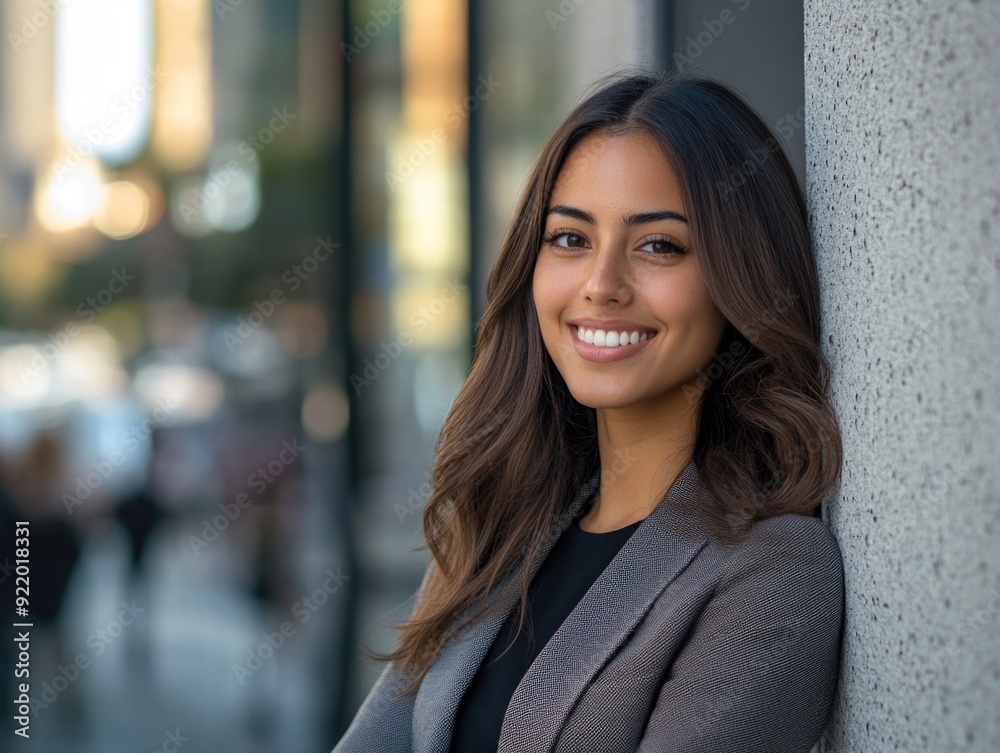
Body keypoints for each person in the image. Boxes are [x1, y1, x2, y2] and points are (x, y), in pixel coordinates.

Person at [333, 69, 846, 753]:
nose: (602, 286)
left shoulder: (773, 571)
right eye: (571, 239)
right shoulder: (500, 525)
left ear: (740, 276)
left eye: (659, 245)